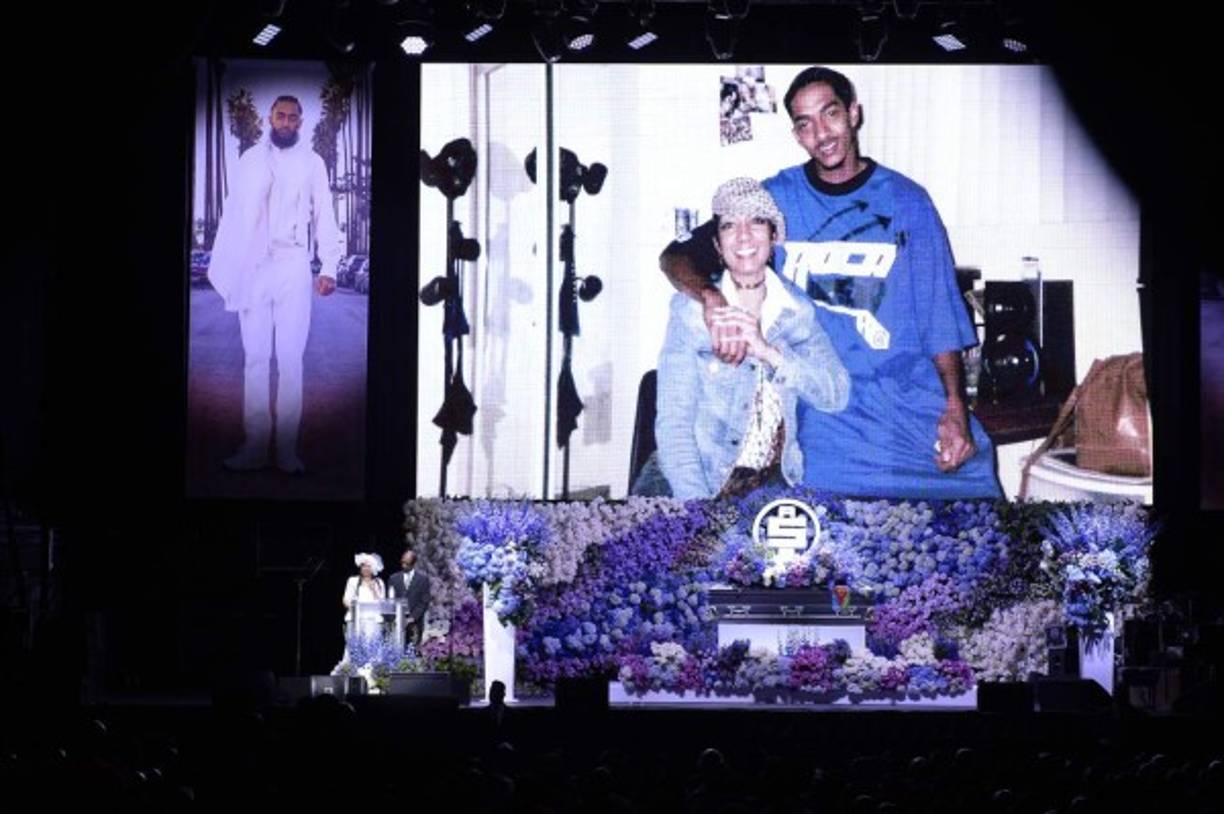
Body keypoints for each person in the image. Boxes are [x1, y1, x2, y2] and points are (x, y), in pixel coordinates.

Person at [660, 67, 1002, 499]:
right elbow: (675, 257)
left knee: (980, 503)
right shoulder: (775, 200)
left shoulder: (909, 201)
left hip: (907, 402)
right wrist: (709, 297)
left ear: (854, 113)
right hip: (823, 410)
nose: (821, 134)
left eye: (830, 114)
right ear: (796, 134)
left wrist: (956, 408)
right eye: (805, 124)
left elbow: (938, 318)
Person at [641, 177, 849, 500]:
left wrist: (769, 353)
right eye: (728, 226)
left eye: (756, 221)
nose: (743, 235)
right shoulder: (690, 312)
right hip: (693, 483)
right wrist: (699, 513)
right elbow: (674, 426)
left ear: (773, 235)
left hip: (767, 489)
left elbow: (836, 393)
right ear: (717, 246)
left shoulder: (796, 311)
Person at [207, 94, 343, 476]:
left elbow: (324, 214)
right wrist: (230, 265)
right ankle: (253, 447)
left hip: (293, 265)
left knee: (289, 359)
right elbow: (234, 214)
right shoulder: (250, 160)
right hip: (254, 268)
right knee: (254, 358)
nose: (285, 122)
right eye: (279, 116)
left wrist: (329, 264)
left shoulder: (312, 164)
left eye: (292, 118)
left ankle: (285, 450)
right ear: (271, 118)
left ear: (300, 122)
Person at [388, 549, 431, 649]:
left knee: (413, 652)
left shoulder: (423, 580)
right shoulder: (393, 578)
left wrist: (412, 618)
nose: (404, 566)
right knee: (396, 651)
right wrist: (394, 618)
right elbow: (390, 600)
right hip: (397, 622)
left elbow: (424, 601)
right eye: (402, 562)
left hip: (415, 623)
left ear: (413, 564)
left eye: (407, 564)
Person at [342, 553, 386, 641]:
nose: (365, 568)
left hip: (373, 619)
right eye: (363, 566)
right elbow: (346, 599)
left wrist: (374, 590)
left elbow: (382, 603)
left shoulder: (379, 583)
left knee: (371, 644)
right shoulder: (353, 581)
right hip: (355, 618)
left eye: (368, 566)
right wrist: (353, 608)